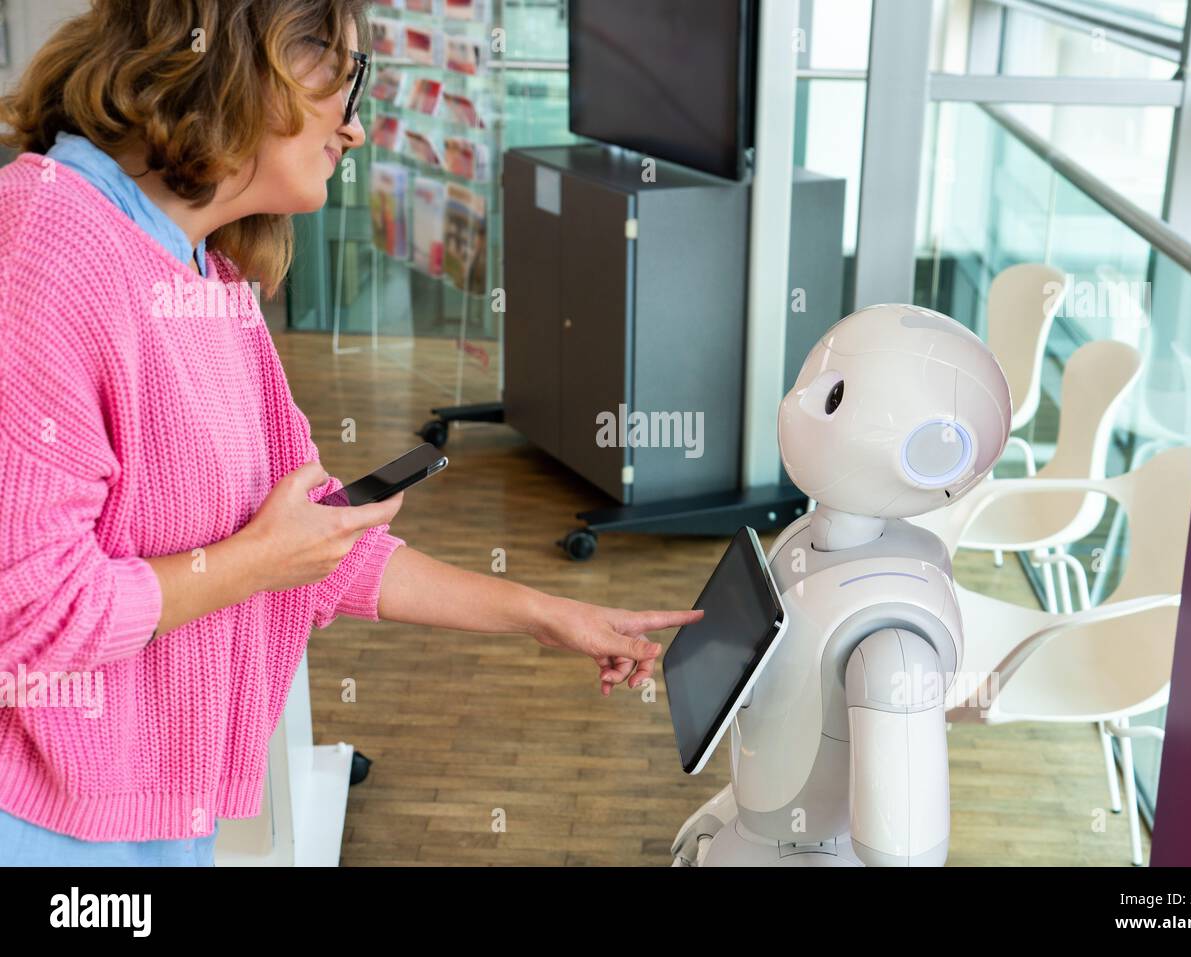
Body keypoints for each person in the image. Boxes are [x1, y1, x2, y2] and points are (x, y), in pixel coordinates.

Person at [0, 0, 702, 866]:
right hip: (49, 830)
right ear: (249, 62)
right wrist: (260, 560)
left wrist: (549, 615)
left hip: (156, 815)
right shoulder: (47, 244)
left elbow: (318, 545)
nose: (359, 129)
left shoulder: (203, 272)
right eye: (351, 79)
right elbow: (27, 617)